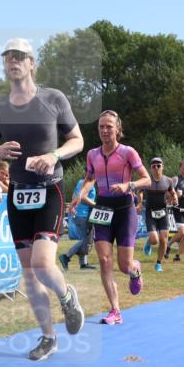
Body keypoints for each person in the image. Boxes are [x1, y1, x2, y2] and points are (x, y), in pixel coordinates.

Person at [0, 37, 85, 360]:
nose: (13, 61)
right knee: (29, 273)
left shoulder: (53, 99)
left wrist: (54, 155)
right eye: (8, 57)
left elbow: (77, 140)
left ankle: (67, 296)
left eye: (19, 56)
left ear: (31, 63)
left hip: (50, 189)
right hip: (18, 193)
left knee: (42, 263)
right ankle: (48, 337)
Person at [71, 110, 149, 326]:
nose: (104, 130)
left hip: (124, 209)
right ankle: (115, 310)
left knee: (124, 266)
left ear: (117, 129)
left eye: (109, 126)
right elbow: (90, 178)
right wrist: (81, 195)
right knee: (105, 261)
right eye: (101, 127)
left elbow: (147, 179)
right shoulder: (92, 154)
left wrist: (128, 185)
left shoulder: (127, 152)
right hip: (103, 209)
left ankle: (134, 269)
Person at [140, 157, 176, 272]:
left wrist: (175, 198)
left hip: (163, 212)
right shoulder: (146, 180)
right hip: (150, 212)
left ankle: (158, 263)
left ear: (162, 167)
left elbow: (173, 192)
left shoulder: (168, 181)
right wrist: (139, 203)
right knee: (154, 240)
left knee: (164, 239)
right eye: (153, 166)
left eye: (158, 166)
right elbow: (140, 192)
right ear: (150, 168)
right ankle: (149, 242)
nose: (156, 168)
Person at [59, 176, 96, 271]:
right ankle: (66, 256)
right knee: (86, 240)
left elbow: (73, 196)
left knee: (84, 238)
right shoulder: (89, 183)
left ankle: (83, 263)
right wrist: (96, 205)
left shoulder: (80, 182)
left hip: (78, 213)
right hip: (83, 215)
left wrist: (73, 207)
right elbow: (83, 197)